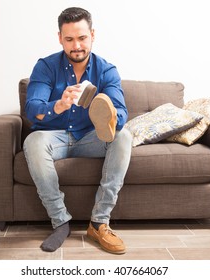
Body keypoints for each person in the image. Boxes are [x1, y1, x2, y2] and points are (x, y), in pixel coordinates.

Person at [23, 7, 132, 255]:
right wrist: (58, 105)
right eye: (69, 39)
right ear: (60, 38)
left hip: (91, 137)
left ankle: (99, 222)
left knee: (123, 136)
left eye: (82, 38)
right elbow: (32, 110)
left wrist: (109, 115)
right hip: (56, 136)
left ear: (92, 35)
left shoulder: (106, 70)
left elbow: (122, 112)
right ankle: (60, 222)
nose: (77, 46)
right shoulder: (45, 67)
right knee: (33, 141)